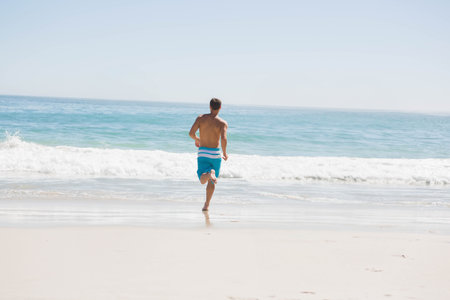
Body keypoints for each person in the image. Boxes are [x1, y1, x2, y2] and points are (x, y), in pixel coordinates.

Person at [189, 98, 228, 211]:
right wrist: (224, 153)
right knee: (211, 182)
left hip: (203, 152)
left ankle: (209, 174)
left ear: (210, 106)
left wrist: (197, 139)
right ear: (220, 108)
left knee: (202, 179)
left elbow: (191, 133)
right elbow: (224, 139)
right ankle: (206, 205)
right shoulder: (222, 123)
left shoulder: (201, 118)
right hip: (215, 154)